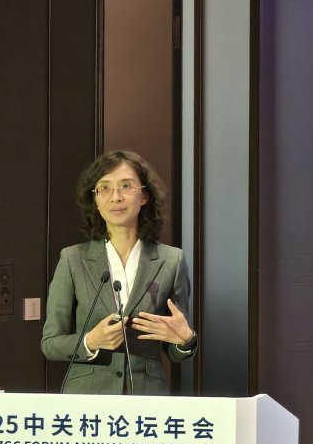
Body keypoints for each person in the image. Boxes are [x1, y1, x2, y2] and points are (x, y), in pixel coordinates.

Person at [41, 149, 197, 394]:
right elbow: (50, 344)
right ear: (95, 199)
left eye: (126, 186)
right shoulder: (73, 259)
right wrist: (90, 341)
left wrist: (185, 340)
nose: (116, 197)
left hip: (147, 397)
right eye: (104, 188)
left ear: (144, 196)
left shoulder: (171, 260)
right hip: (87, 399)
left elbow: (176, 351)